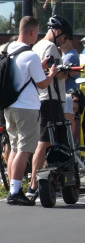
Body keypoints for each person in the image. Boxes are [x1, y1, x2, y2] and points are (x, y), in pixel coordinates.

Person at [4, 17, 58, 205]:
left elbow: (21, 74)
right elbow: (42, 84)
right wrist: (50, 74)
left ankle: (12, 187)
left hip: (9, 106)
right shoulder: (31, 55)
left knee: (14, 147)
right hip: (26, 107)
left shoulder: (6, 49)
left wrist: (39, 68)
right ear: (32, 32)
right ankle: (16, 191)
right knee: (24, 150)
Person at [28, 15, 74, 199]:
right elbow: (55, 74)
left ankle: (45, 181)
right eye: (64, 37)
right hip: (51, 99)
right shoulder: (51, 47)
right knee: (45, 141)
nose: (64, 41)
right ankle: (33, 185)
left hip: (40, 98)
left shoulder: (37, 46)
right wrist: (66, 71)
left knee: (46, 142)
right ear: (57, 32)